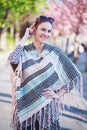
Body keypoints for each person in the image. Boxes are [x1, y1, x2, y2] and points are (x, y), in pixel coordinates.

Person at [8, 15, 82, 130]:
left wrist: (58, 95)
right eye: (43, 29)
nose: (46, 33)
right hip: (25, 108)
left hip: (47, 112)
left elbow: (75, 76)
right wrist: (25, 37)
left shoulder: (55, 52)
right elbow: (13, 59)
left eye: (49, 31)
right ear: (35, 30)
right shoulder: (24, 51)